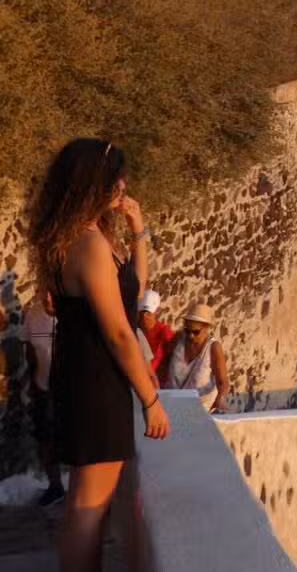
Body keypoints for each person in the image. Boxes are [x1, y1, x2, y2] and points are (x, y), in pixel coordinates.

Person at [29, 138, 168, 572]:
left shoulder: (81, 237)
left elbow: (134, 291)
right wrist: (150, 399)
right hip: (96, 382)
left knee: (89, 499)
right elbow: (119, 333)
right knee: (88, 506)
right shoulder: (87, 244)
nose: (123, 185)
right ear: (93, 183)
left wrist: (138, 229)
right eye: (115, 179)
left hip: (87, 377)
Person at [21, 291, 64, 506]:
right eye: (44, 292)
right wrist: (32, 383)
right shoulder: (33, 315)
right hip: (43, 388)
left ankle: (81, 491)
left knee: (73, 439)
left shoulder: (75, 314)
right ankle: (55, 486)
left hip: (69, 392)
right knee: (46, 440)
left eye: (52, 292)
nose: (48, 298)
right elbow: (29, 349)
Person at [163, 303, 230, 413]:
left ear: (206, 328)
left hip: (200, 408)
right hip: (173, 405)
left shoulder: (213, 347)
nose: (190, 336)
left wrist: (220, 397)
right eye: (187, 330)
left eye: (196, 332)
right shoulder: (178, 340)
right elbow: (164, 363)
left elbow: (223, 381)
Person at [136, 289, 175, 380]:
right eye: (142, 313)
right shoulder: (133, 329)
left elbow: (173, 361)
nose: (144, 316)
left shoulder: (165, 332)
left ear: (157, 310)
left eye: (148, 313)